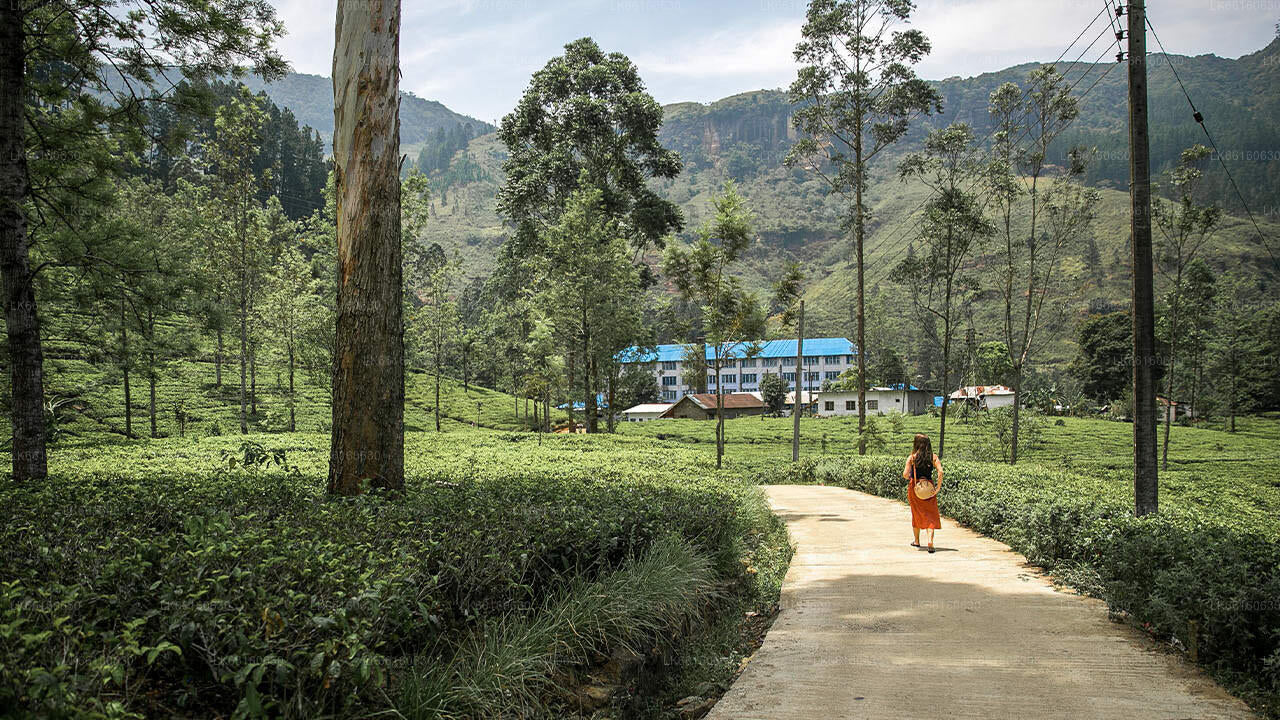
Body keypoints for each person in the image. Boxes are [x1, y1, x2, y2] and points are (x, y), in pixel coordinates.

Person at [902, 433, 943, 553]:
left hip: (915, 488)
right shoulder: (933, 457)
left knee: (916, 513)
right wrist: (938, 487)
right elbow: (940, 472)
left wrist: (911, 475)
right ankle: (930, 541)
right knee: (930, 514)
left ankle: (917, 541)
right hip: (929, 488)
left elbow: (905, 474)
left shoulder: (912, 457)